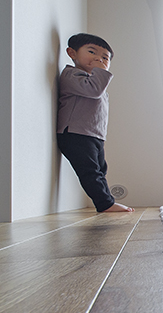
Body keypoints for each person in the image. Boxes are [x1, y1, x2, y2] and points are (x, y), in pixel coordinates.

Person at [57, 33, 133, 213]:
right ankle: (105, 204)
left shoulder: (92, 80)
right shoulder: (71, 74)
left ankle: (107, 201)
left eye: (105, 58)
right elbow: (93, 91)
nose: (99, 59)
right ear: (72, 53)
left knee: (100, 170)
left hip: (93, 134)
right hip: (75, 133)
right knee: (90, 170)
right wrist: (101, 71)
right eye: (92, 52)